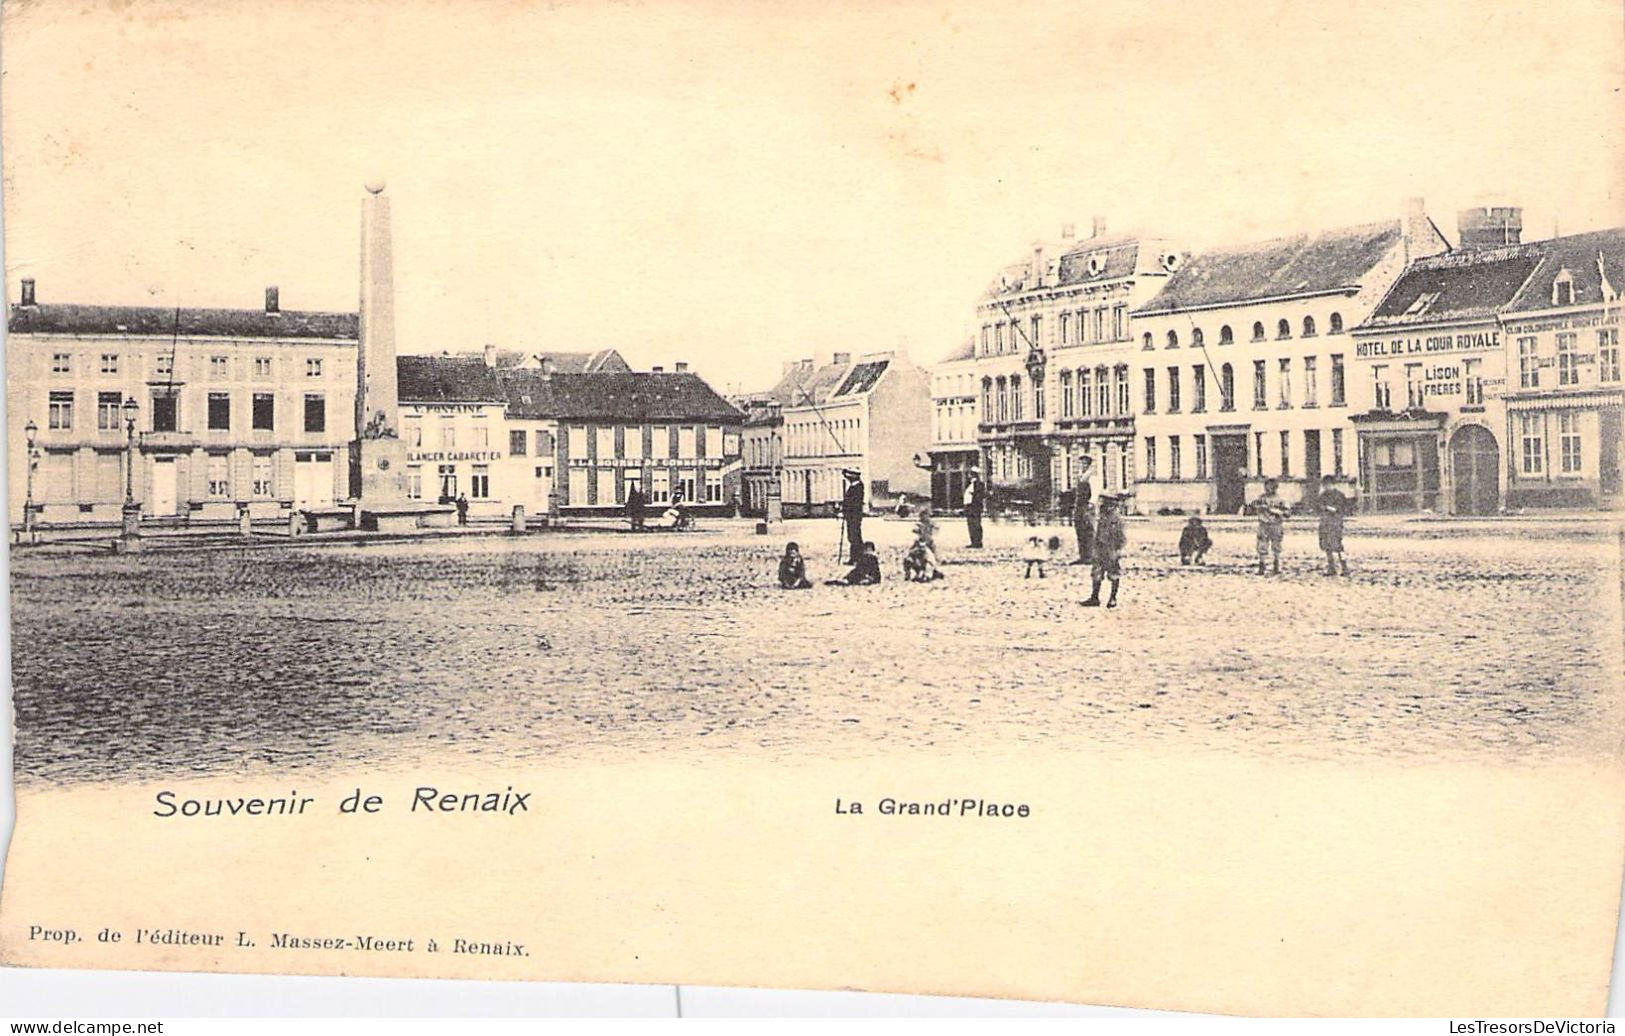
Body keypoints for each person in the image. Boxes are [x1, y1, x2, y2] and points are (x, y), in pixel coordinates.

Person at [1083, 495, 1127, 608]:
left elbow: (1121, 538)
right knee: (1096, 573)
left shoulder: (1116, 519)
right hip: (1100, 550)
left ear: (1111, 505)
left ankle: (1113, 598)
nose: (1102, 506)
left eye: (1105, 504)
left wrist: (1118, 551)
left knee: (1113, 574)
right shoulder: (1102, 518)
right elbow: (1097, 534)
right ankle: (1095, 597)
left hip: (1111, 550)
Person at [1250, 478, 1289, 575]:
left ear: (1275, 488)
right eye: (1266, 487)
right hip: (1263, 524)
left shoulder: (1280, 499)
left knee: (1276, 544)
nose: (1268, 489)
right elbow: (1252, 506)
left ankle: (1276, 564)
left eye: (1271, 487)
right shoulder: (1261, 498)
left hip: (1276, 524)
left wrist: (1277, 511)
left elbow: (1287, 513)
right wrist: (1258, 507)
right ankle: (1262, 565)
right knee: (1262, 545)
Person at [1317, 475, 1351, 576]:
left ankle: (1344, 567)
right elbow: (1318, 507)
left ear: (1332, 484)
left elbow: (1342, 508)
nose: (1326, 487)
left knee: (1338, 546)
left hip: (1335, 523)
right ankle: (1331, 567)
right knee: (1326, 546)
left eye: (1328, 485)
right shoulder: (1322, 496)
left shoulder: (1339, 495)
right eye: (1324, 485)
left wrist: (1332, 509)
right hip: (1325, 523)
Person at [1071, 455, 1095, 565]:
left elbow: (1095, 491)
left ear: (1088, 464)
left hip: (1086, 506)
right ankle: (1083, 555)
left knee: (1088, 530)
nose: (1082, 466)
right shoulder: (1081, 476)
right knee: (1080, 530)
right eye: (1081, 464)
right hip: (1079, 506)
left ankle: (1090, 556)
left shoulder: (1091, 476)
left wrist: (1091, 504)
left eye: (1085, 463)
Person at [840, 469, 865, 563]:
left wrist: (846, 509)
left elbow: (853, 503)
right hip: (852, 516)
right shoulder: (854, 486)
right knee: (853, 536)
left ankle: (857, 558)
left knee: (854, 537)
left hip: (854, 516)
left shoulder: (857, 487)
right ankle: (856, 557)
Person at [963, 471, 986, 549]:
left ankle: (977, 542)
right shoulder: (970, 484)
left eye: (970, 474)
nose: (968, 476)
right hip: (970, 506)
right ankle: (974, 541)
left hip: (974, 507)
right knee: (971, 524)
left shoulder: (978, 484)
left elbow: (980, 495)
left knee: (975, 524)